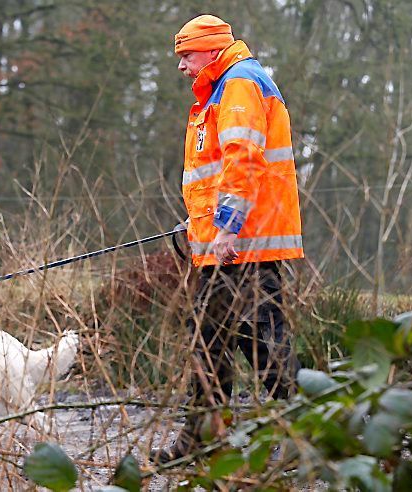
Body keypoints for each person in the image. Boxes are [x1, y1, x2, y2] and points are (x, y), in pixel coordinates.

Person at [152, 14, 304, 463]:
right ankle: (206, 438)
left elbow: (244, 160)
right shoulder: (221, 89)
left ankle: (309, 431)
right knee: (217, 341)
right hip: (233, 243)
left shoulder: (238, 84)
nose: (181, 66)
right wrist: (202, 225)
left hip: (244, 246)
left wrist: (226, 227)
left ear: (212, 50)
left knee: (255, 345)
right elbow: (214, 174)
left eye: (187, 55)